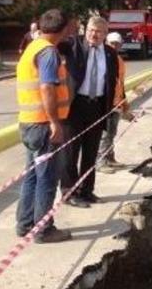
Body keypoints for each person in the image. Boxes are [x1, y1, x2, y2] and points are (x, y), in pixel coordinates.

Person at [14, 9, 72, 243]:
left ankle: (25, 224)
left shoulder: (33, 47)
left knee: (32, 176)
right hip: (42, 125)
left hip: (30, 123)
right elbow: (47, 87)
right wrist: (54, 122)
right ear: (63, 29)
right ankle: (43, 229)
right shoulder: (48, 53)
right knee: (47, 178)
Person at [58, 16, 120, 207]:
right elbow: (56, 44)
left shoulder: (110, 54)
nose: (94, 34)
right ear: (86, 30)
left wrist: (114, 107)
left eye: (99, 31)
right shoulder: (73, 45)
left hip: (97, 106)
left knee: (91, 152)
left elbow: (112, 82)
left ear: (105, 34)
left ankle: (87, 191)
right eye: (91, 30)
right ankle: (69, 193)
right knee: (70, 152)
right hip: (75, 106)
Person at [98, 32, 133, 174]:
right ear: (106, 42)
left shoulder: (118, 60)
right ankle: (101, 162)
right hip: (106, 103)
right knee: (105, 134)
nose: (114, 46)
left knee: (112, 133)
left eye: (116, 44)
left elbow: (120, 83)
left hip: (116, 102)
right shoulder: (102, 58)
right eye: (112, 43)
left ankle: (110, 158)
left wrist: (124, 103)